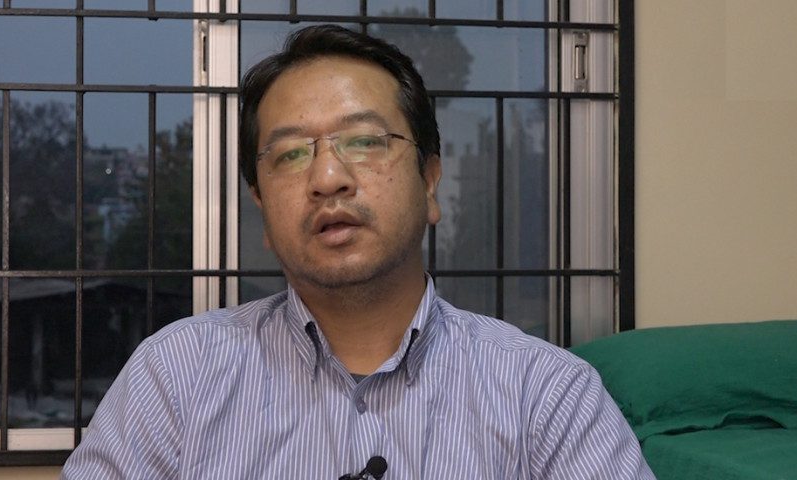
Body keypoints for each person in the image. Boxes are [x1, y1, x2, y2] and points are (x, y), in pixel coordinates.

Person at [61, 24, 654, 479]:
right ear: (261, 207)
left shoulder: (545, 395)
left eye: (365, 140)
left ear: (429, 183)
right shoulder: (175, 378)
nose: (328, 178)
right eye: (291, 153)